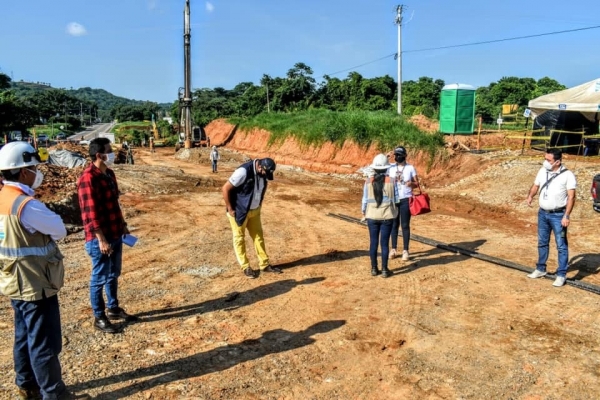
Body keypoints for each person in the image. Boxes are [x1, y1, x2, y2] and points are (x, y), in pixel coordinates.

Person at [0, 142, 90, 400]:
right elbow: (59, 230)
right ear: (24, 171)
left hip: (12, 280)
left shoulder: (2, 200)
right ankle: (54, 394)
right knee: (44, 341)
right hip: (35, 282)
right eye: (34, 167)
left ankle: (26, 384)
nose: (38, 171)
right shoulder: (26, 205)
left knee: (23, 334)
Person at [77, 137, 138, 334]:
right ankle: (99, 316)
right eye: (109, 150)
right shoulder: (88, 179)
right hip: (100, 238)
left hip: (115, 233)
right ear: (99, 155)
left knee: (113, 274)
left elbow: (115, 204)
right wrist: (101, 239)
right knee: (99, 277)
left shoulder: (109, 174)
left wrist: (124, 226)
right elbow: (90, 214)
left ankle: (113, 308)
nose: (112, 153)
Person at [222, 158, 282, 278]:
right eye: (266, 173)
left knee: (258, 237)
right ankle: (246, 267)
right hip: (239, 212)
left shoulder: (263, 172)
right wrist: (230, 208)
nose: (266, 176)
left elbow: (264, 186)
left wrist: (260, 202)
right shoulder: (243, 172)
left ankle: (264, 265)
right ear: (260, 167)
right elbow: (225, 188)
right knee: (239, 239)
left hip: (255, 211)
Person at [526, 148, 576, 287]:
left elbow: (571, 197)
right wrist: (530, 195)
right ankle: (541, 268)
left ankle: (561, 274)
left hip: (558, 215)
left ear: (557, 162)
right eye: (545, 159)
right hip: (543, 213)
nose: (545, 162)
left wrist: (566, 215)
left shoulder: (568, 175)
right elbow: (536, 185)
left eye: (548, 160)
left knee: (561, 245)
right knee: (542, 242)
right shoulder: (543, 171)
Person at [362, 154, 398, 278]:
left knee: (373, 243)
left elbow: (365, 200)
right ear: (386, 168)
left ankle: (373, 268)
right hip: (387, 216)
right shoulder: (392, 181)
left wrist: (363, 212)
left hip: (372, 216)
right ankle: (384, 270)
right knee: (384, 244)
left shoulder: (368, 181)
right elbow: (396, 199)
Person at [388, 146, 418, 261]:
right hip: (394, 199)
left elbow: (417, 183)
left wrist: (411, 184)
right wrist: (387, 156)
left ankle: (405, 250)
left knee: (405, 225)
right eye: (395, 155)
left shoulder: (410, 168)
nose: (396, 157)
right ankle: (394, 249)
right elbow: (375, 168)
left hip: (406, 199)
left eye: (398, 155)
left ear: (404, 156)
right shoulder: (390, 167)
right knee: (394, 225)